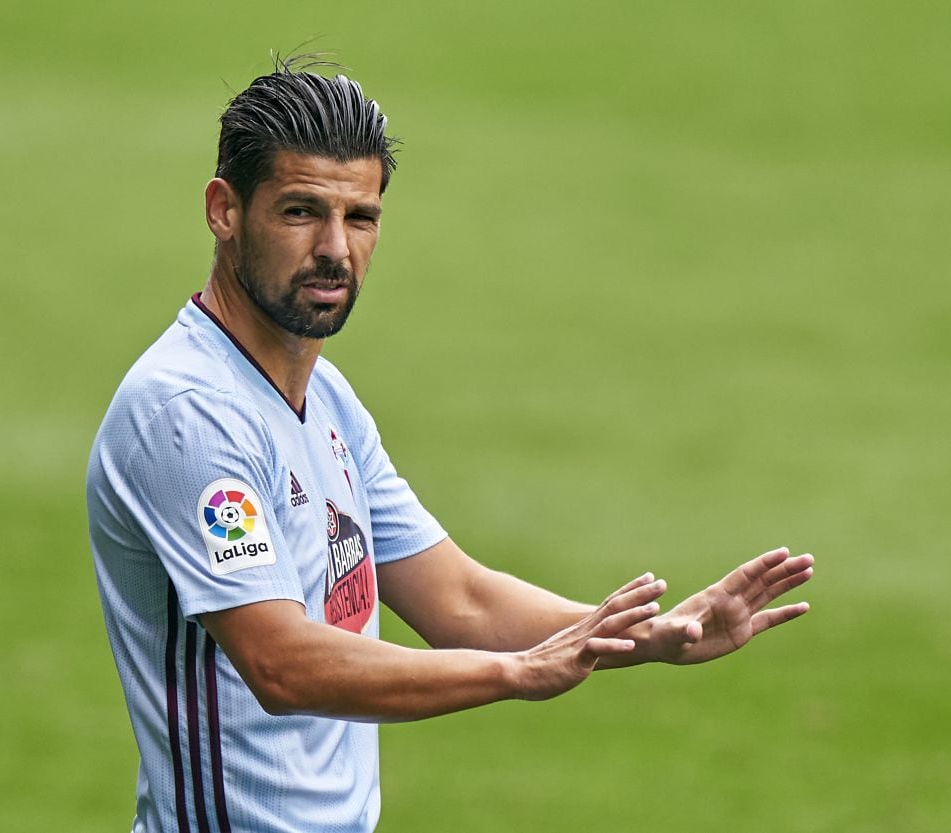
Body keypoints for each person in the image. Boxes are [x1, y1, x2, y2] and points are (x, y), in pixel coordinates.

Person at [86, 56, 815, 833]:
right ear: (224, 210)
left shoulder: (326, 399)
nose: (335, 248)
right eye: (301, 211)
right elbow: (280, 663)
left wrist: (640, 637)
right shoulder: (187, 413)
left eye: (360, 217)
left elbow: (459, 598)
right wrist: (514, 674)